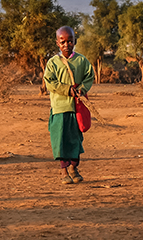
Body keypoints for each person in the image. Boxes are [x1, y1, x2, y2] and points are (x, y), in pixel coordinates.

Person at [43, 26, 95, 184]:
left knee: (75, 139)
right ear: (57, 43)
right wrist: (67, 90)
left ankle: (73, 168)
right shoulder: (53, 63)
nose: (66, 44)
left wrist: (81, 90)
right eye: (63, 41)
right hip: (59, 109)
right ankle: (63, 171)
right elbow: (49, 82)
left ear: (75, 41)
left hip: (76, 108)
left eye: (70, 41)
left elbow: (89, 77)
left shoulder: (81, 61)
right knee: (60, 140)